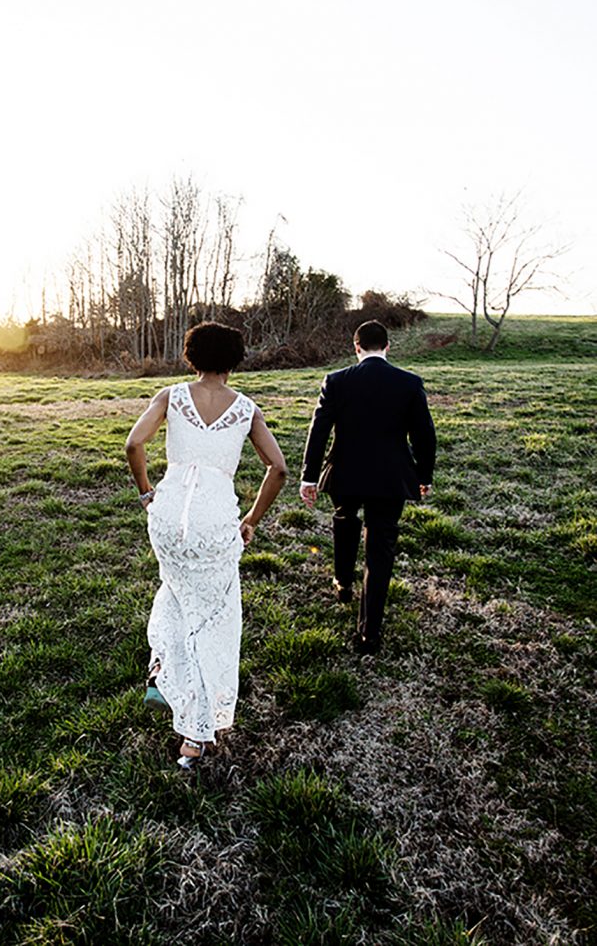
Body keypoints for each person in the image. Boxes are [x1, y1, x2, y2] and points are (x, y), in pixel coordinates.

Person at [126, 322, 286, 768]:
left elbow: (134, 443)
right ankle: (194, 737)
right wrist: (252, 519)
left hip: (168, 519)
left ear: (190, 356)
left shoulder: (170, 396)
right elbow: (278, 469)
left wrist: (145, 491)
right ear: (234, 361)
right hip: (215, 523)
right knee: (212, 621)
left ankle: (163, 675)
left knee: (176, 594)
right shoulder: (246, 409)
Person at [300, 320, 436, 655]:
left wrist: (309, 476)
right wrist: (424, 475)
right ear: (388, 347)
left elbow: (319, 431)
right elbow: (424, 435)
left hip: (346, 472)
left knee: (344, 518)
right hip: (391, 477)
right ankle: (369, 632)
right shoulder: (409, 383)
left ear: (356, 347)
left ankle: (343, 582)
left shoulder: (336, 381)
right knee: (381, 547)